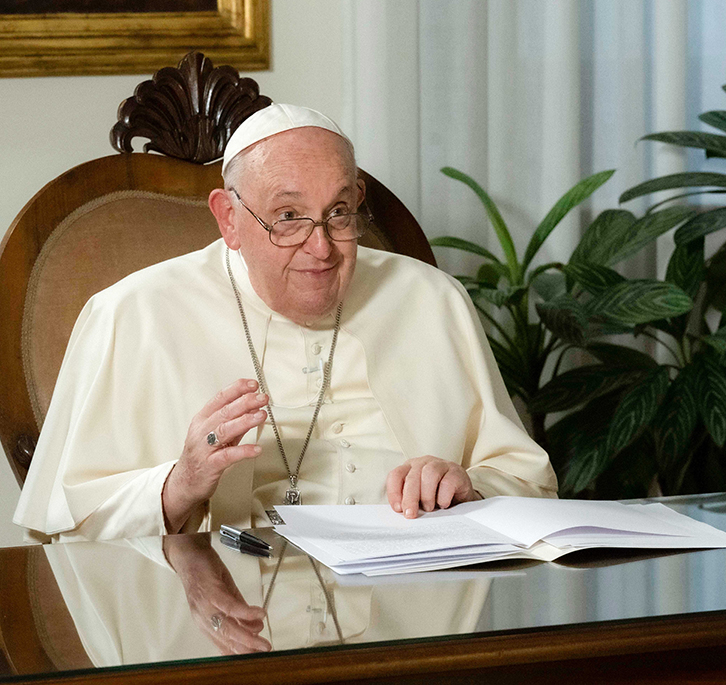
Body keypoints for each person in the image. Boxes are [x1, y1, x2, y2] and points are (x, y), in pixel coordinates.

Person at [14, 104, 557, 542]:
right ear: (229, 218)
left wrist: (469, 486)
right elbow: (68, 527)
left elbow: (528, 482)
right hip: (224, 624)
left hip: (411, 607)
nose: (320, 248)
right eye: (289, 217)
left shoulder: (431, 299)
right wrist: (179, 485)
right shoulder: (132, 315)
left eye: (339, 212)